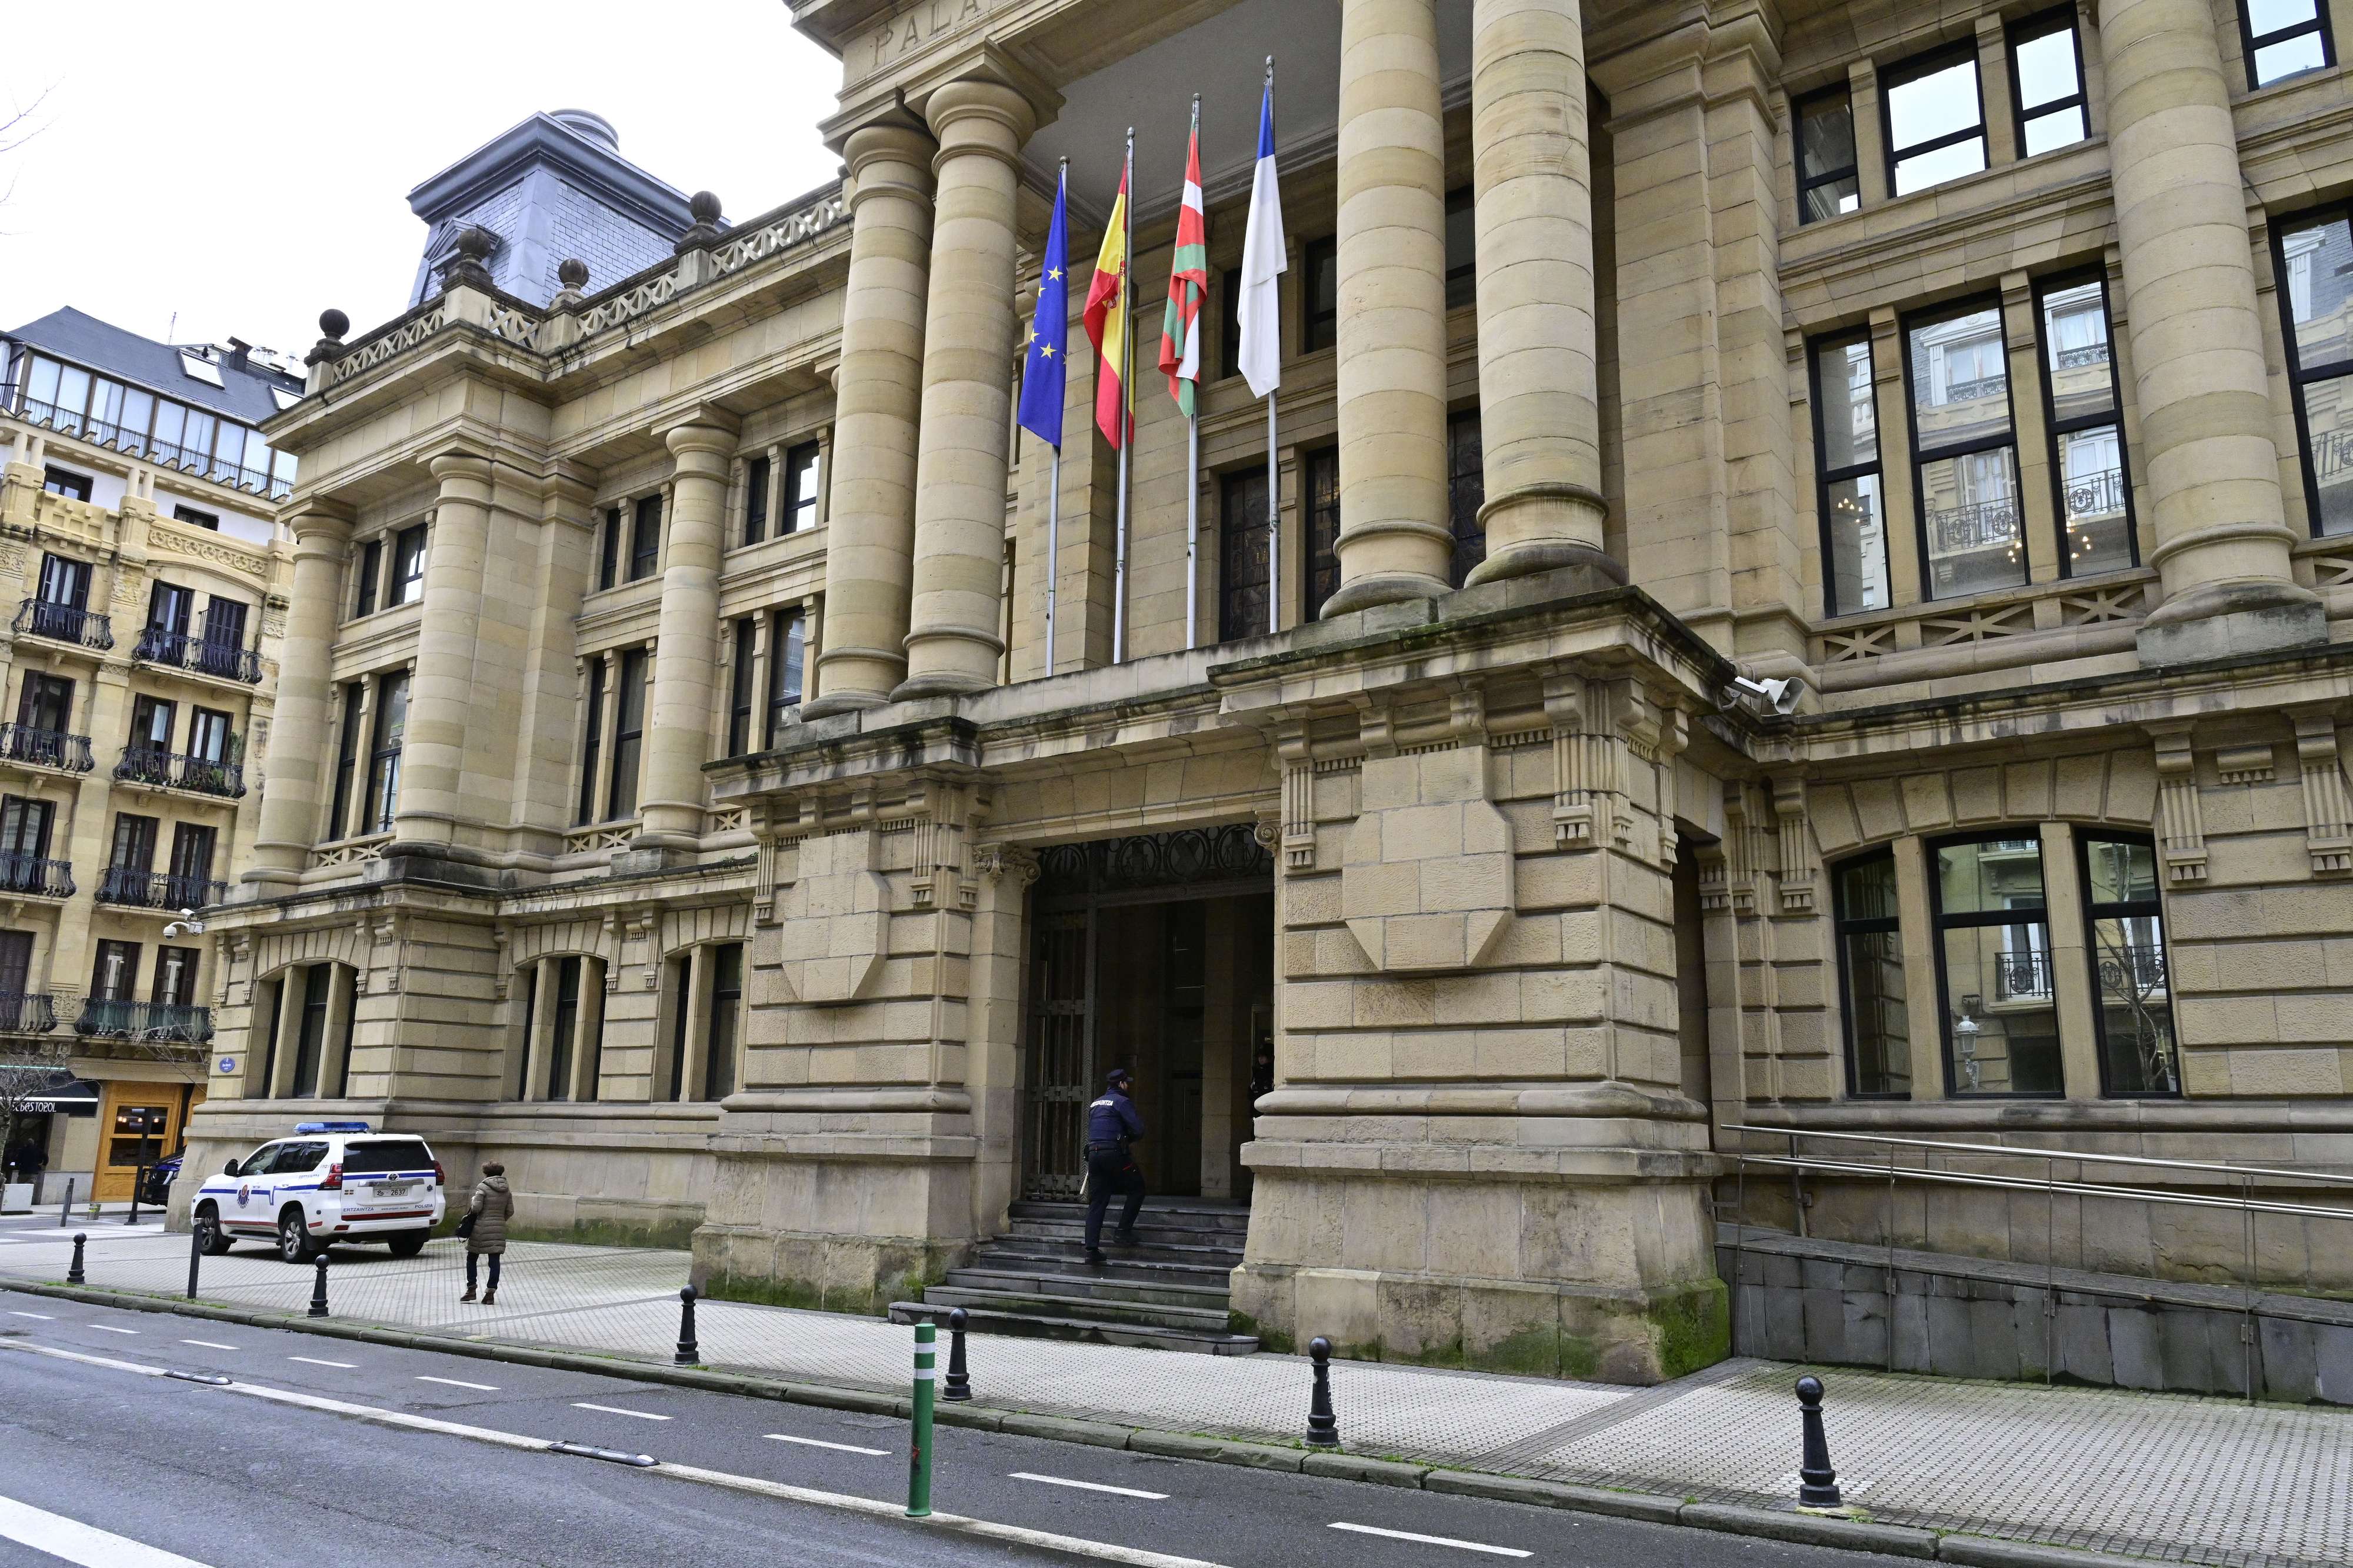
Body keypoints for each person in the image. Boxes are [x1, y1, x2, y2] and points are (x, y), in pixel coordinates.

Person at [1082, 1067, 1146, 1265]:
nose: (1128, 1086)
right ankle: (1123, 1232)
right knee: (1137, 1188)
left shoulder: (1095, 1103)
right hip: (1114, 1154)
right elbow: (1139, 1129)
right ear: (1121, 1084)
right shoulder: (1122, 1101)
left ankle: (1092, 1249)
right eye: (1127, 1083)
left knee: (1098, 1201)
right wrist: (1127, 1139)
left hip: (1094, 1154)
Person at [461, 1162, 514, 1305]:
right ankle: (490, 1293)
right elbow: (510, 1211)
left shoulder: (482, 1188)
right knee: (494, 1261)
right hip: (499, 1228)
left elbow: (476, 1208)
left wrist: (473, 1201)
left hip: (481, 1228)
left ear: (486, 1173)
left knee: (472, 1257)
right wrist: (500, 1220)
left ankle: (471, 1289)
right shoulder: (507, 1190)